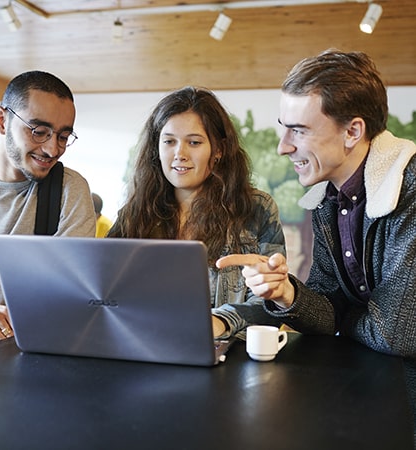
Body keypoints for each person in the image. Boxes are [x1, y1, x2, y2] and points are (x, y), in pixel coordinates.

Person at [214, 49, 416, 441]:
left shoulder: (411, 191)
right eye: (283, 128)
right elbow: (324, 310)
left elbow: (399, 333)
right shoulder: (329, 200)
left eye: (299, 130)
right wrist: (287, 292)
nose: (283, 147)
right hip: (376, 392)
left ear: (352, 131)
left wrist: (341, 317)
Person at [107, 86, 286, 335]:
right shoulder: (135, 214)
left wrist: (221, 321)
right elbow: (103, 287)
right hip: (145, 344)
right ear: (156, 149)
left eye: (194, 142)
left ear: (218, 150)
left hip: (228, 356)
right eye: (169, 141)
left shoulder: (257, 209)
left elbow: (273, 302)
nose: (179, 154)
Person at [0, 70, 96, 342]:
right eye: (39, 132)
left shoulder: (68, 191)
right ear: (1, 121)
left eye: (63, 136)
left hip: (16, 351)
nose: (52, 149)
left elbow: (63, 302)